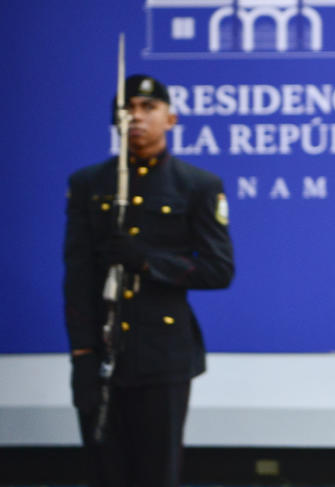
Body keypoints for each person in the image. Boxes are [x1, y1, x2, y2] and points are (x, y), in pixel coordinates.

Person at [63, 74, 235, 487]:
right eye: (127, 110)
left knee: (156, 474)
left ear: (171, 118)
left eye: (147, 108)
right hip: (104, 352)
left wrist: (147, 262)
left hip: (164, 354)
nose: (136, 117)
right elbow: (77, 273)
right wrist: (82, 354)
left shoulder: (197, 185)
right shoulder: (89, 184)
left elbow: (218, 270)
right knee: (105, 472)